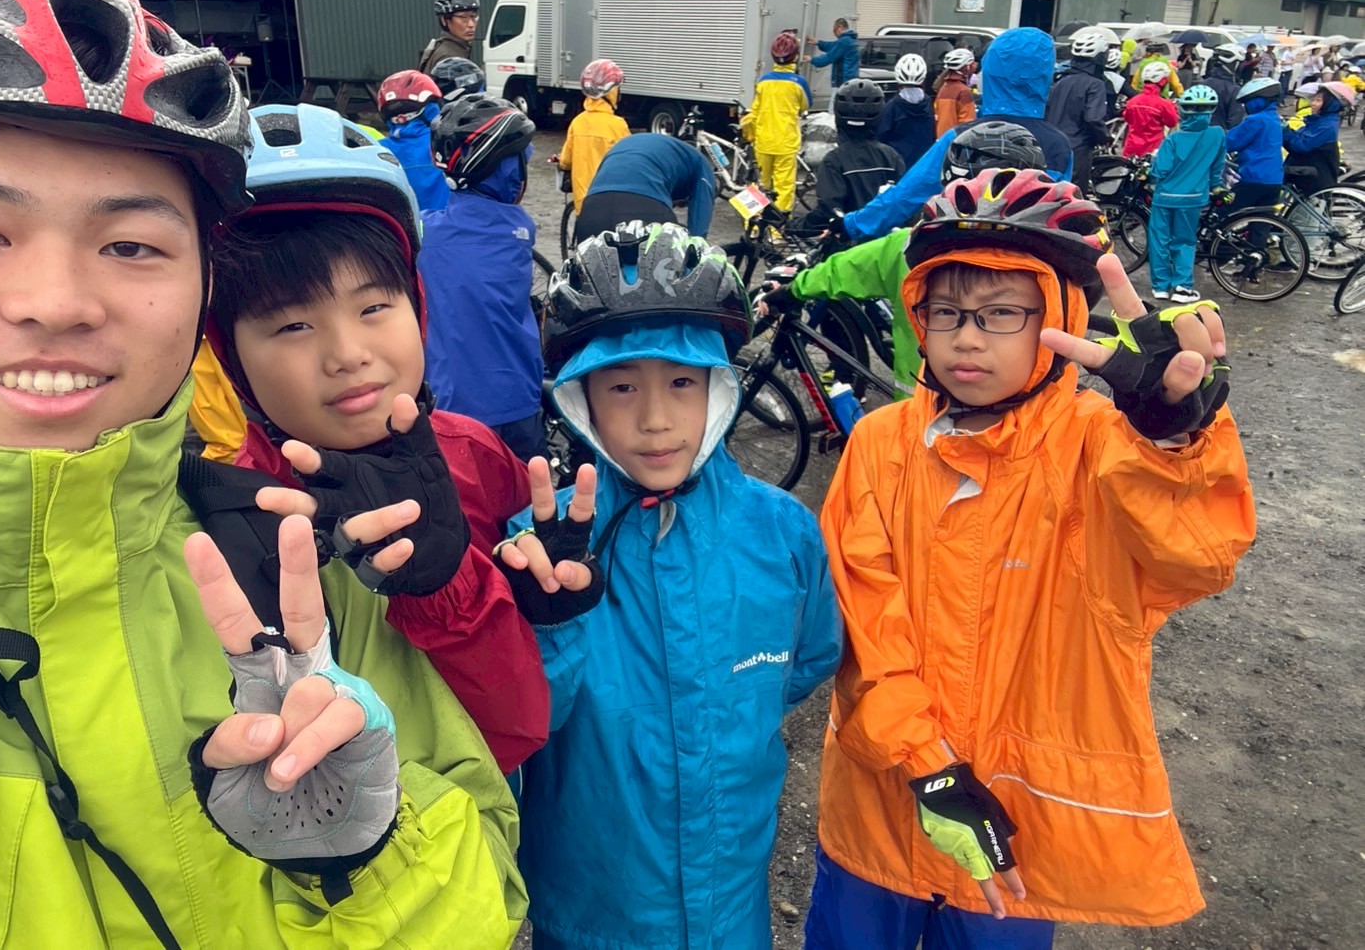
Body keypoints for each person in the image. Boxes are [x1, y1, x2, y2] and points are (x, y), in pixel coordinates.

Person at [0, 0, 525, 945]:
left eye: (132, 244)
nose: (57, 302)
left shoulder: (287, 566)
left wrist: (357, 857)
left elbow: (497, 827)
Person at [806, 167, 1254, 948]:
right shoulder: (880, 444)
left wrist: (1174, 441)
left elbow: (1196, 558)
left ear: (1060, 316)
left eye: (1001, 313)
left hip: (1019, 834)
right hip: (880, 806)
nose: (966, 337)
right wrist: (927, 766)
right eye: (945, 312)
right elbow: (862, 619)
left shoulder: (1101, 447)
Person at [497, 221, 842, 949]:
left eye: (682, 382)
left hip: (733, 900)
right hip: (594, 908)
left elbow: (809, 657)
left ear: (719, 388)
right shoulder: (539, 548)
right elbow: (514, 726)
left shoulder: (782, 531)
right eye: (622, 387)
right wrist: (551, 626)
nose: (655, 421)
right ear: (582, 400)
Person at [203, 102, 550, 775]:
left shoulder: (474, 451)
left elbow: (520, 733)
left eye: (372, 307)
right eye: (292, 326)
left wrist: (551, 608)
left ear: (417, 306)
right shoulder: (239, 518)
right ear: (230, 354)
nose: (347, 353)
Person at [759, 121, 1045, 403]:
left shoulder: (908, 247)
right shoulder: (1052, 256)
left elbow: (841, 271)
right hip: (1029, 410)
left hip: (924, 406)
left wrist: (791, 290)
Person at [844, 27, 1073, 241]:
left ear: (991, 72)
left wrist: (851, 225)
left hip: (960, 254)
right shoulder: (1060, 146)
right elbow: (1059, 212)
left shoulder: (962, 137)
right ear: (1045, 76)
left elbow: (908, 194)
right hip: (1029, 258)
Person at [421, 94, 546, 461]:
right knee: (528, 491)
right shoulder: (519, 229)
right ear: (508, 172)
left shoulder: (422, 232)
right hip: (518, 398)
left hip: (450, 404)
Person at [1147, 85, 1229, 304]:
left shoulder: (1173, 139)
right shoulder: (1217, 135)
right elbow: (1217, 167)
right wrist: (1217, 187)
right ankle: (1182, 287)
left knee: (1159, 240)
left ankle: (1160, 287)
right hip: (1193, 199)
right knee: (1184, 241)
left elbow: (1161, 170)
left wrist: (1148, 170)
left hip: (1164, 197)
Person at [575, 131, 717, 243]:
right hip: (644, 206)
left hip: (592, 207)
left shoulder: (632, 145)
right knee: (664, 267)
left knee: (592, 269)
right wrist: (696, 248)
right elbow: (701, 216)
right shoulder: (701, 165)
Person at [812, 79, 906, 224]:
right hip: (889, 235)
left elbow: (828, 211)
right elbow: (903, 200)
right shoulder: (891, 156)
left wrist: (793, 226)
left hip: (849, 236)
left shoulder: (834, 161)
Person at [743, 29, 812, 210]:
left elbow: (755, 110)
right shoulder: (799, 83)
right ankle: (778, 224)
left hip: (763, 140)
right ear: (795, 56)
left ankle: (753, 222)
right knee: (783, 186)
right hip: (786, 142)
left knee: (758, 183)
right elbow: (806, 105)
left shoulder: (763, 81)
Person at [1044, 27, 1111, 194]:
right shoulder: (1095, 84)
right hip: (1078, 149)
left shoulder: (1061, 81)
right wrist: (1104, 137)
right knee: (1074, 196)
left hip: (1051, 146)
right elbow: (1093, 118)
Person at [558, 57, 629, 211]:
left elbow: (565, 162)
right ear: (611, 92)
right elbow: (629, 162)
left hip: (582, 206)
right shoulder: (618, 125)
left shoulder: (577, 122)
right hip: (609, 203)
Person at [376, 69, 450, 211]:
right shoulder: (450, 144)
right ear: (433, 108)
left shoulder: (377, 151)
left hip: (399, 225)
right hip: (445, 224)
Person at [1226, 77, 1285, 211]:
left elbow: (1230, 142)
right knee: (1260, 218)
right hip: (1274, 179)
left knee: (1225, 214)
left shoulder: (1256, 120)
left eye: (1247, 102)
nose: (1245, 107)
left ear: (1258, 100)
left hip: (1255, 177)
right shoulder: (1274, 117)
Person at [1282, 81, 1349, 195]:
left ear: (1331, 103)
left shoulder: (1326, 125)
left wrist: (1284, 130)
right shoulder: (1319, 121)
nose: (1312, 103)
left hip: (1314, 176)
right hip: (1309, 170)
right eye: (1313, 100)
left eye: (1318, 100)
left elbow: (1301, 145)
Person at [878, 53, 937, 167]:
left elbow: (880, 138)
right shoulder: (929, 105)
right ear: (923, 79)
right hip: (922, 166)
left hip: (896, 165)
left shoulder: (891, 107)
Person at [1122, 63, 1180, 156]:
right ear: (1162, 82)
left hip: (1131, 149)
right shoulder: (1163, 104)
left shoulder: (1132, 102)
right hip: (1152, 150)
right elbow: (1172, 122)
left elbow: (1127, 118)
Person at [420, 0, 481, 75]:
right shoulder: (448, 58)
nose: (471, 24)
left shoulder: (449, 48)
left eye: (473, 16)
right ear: (444, 20)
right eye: (463, 17)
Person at [933, 48, 977, 137]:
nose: (975, 66)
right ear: (966, 68)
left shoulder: (943, 88)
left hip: (942, 140)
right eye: (972, 64)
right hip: (957, 141)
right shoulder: (963, 92)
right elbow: (967, 125)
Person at [1201, 44, 1245, 130]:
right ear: (1234, 65)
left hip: (1199, 135)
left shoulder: (1202, 85)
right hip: (1222, 135)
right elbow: (1235, 122)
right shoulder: (1234, 90)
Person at [810, 18, 862, 88]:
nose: (834, 34)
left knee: (837, 95)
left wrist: (811, 59)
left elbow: (829, 57)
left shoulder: (844, 41)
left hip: (843, 82)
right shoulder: (851, 39)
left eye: (834, 30)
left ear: (839, 28)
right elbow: (833, 46)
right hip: (851, 80)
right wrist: (818, 43)